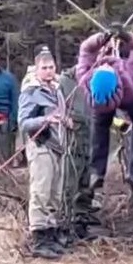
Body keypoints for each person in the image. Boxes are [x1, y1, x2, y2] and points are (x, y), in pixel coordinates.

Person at [76, 23, 133, 203]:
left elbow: (86, 48)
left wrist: (101, 39)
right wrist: (127, 38)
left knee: (99, 129)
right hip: (131, 97)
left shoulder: (83, 78)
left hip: (106, 104)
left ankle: (96, 173)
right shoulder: (129, 79)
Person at [18, 47, 71, 259]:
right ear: (36, 69)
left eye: (51, 67)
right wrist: (45, 120)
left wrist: (66, 121)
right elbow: (23, 122)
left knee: (54, 194)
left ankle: (51, 234)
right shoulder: (30, 92)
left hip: (59, 146)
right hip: (40, 145)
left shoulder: (56, 89)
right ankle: (39, 238)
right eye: (44, 68)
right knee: (40, 192)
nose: (48, 71)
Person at [58, 64, 99, 241]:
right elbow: (54, 110)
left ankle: (81, 224)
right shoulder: (64, 83)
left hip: (91, 141)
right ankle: (64, 227)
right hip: (71, 143)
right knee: (68, 186)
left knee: (86, 186)